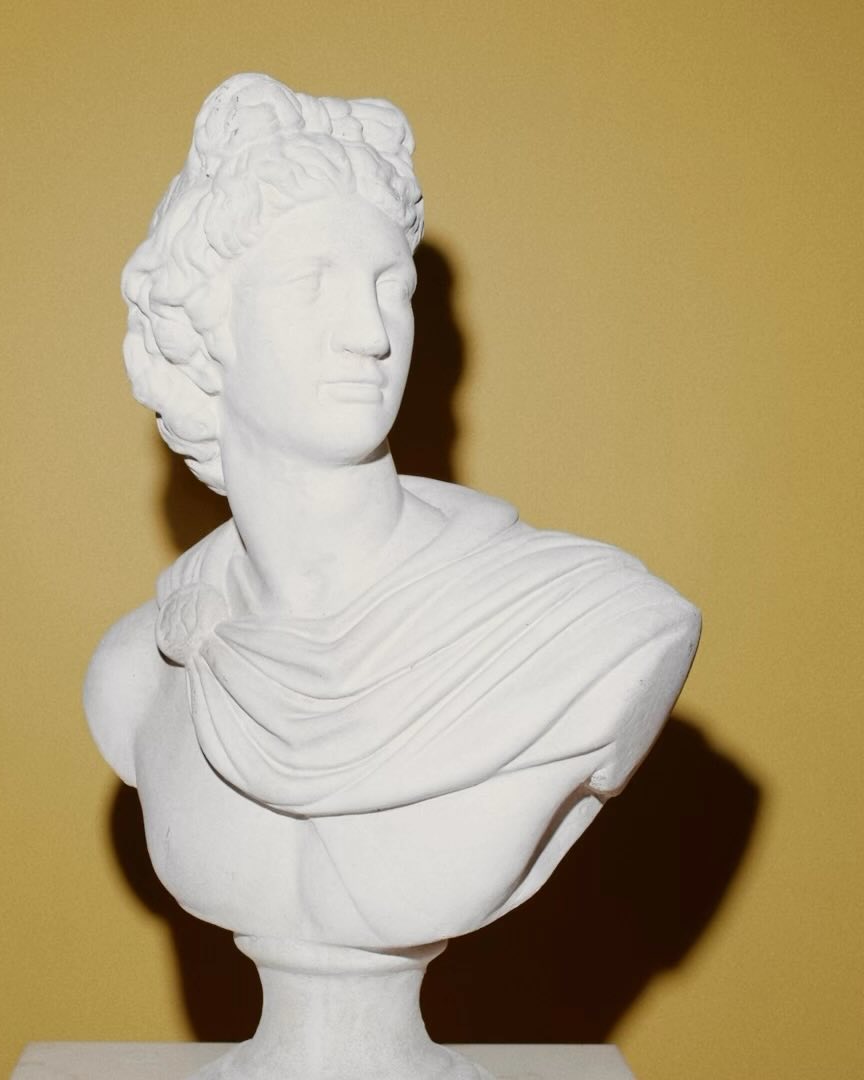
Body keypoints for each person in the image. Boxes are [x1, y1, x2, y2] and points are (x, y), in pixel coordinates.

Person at [86, 69, 699, 956]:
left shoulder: (591, 627)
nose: (371, 334)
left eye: (391, 287)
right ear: (204, 330)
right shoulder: (139, 673)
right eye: (311, 283)